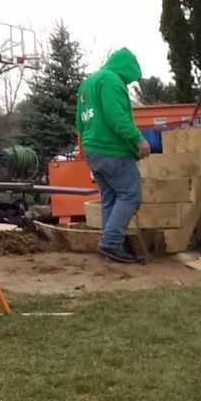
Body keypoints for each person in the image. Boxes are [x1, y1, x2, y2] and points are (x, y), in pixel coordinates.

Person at [76, 47, 150, 264]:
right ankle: (111, 242)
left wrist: (85, 148)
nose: (128, 83)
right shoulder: (112, 81)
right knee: (130, 195)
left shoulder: (88, 83)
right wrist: (139, 140)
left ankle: (111, 244)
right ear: (126, 67)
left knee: (110, 197)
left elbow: (80, 121)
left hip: (94, 150)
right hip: (112, 150)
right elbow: (116, 116)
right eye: (129, 77)